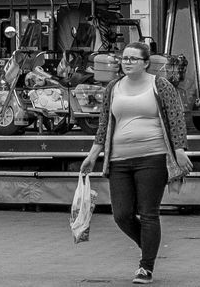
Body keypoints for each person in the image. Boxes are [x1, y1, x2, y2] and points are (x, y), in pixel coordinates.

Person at [79, 39, 193, 285]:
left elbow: (175, 119)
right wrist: (92, 155)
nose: (126, 62)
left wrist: (180, 150)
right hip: (119, 160)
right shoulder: (113, 87)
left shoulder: (160, 85)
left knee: (149, 212)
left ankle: (146, 267)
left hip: (152, 157)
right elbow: (104, 125)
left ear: (146, 63)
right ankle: (149, 246)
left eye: (133, 59)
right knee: (121, 214)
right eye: (124, 58)